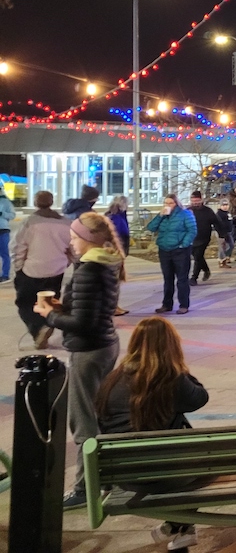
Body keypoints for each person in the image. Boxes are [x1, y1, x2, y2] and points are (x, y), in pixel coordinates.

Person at [33, 212, 123, 508]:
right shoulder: (108, 262)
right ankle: (106, 478)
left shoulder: (89, 269)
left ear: (89, 239)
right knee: (99, 415)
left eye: (74, 237)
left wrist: (51, 315)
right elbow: (92, 310)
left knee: (83, 421)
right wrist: (63, 308)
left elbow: (83, 322)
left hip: (88, 350)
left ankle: (86, 489)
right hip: (105, 344)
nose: (71, 243)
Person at [96, 317, 209, 550]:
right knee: (211, 463)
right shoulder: (170, 379)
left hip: (125, 476)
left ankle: (178, 527)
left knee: (176, 429)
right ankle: (180, 523)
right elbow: (200, 397)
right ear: (172, 345)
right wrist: (180, 368)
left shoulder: (112, 379)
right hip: (165, 475)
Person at [13, 191, 75, 346]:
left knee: (25, 303)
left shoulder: (30, 222)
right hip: (56, 270)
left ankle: (38, 329)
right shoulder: (66, 223)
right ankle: (48, 323)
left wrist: (18, 266)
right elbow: (73, 248)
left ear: (35, 202)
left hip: (31, 270)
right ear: (52, 201)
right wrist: (66, 262)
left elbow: (17, 246)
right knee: (50, 302)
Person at [147, 194, 196, 314]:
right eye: (166, 203)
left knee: (182, 279)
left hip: (180, 251)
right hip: (164, 250)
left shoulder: (185, 214)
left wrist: (183, 244)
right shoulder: (163, 216)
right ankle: (166, 304)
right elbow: (151, 228)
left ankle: (183, 305)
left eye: (171, 203)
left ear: (176, 204)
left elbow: (192, 230)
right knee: (167, 279)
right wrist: (159, 216)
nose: (168, 205)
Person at [187, 190, 225, 286]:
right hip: (191, 238)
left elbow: (217, 223)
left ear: (201, 200)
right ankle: (206, 270)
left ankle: (194, 278)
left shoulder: (208, 211)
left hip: (204, 238)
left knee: (198, 256)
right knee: (197, 256)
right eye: (193, 201)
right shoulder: (187, 211)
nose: (195, 203)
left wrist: (222, 235)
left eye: (197, 200)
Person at [0, 184, 15, 282]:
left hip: (3, 230)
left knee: (5, 253)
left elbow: (12, 215)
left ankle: (5, 274)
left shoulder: (5, 202)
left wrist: (2, 214)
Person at [216, 198, 235, 268]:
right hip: (221, 233)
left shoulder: (228, 213)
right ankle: (222, 261)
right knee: (222, 247)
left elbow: (230, 221)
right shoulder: (219, 214)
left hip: (228, 232)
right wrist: (222, 234)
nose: (225, 206)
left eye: (226, 205)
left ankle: (224, 257)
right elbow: (218, 225)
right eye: (223, 205)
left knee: (231, 245)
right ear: (220, 206)